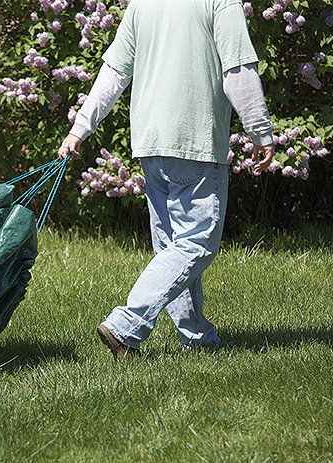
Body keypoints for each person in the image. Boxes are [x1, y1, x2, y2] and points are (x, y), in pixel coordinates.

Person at [57, 0, 275, 359]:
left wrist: (80, 128)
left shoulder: (143, 4)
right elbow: (238, 70)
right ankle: (126, 325)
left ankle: (198, 338)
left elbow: (113, 73)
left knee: (174, 246)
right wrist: (261, 131)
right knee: (196, 243)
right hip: (194, 140)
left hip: (151, 143)